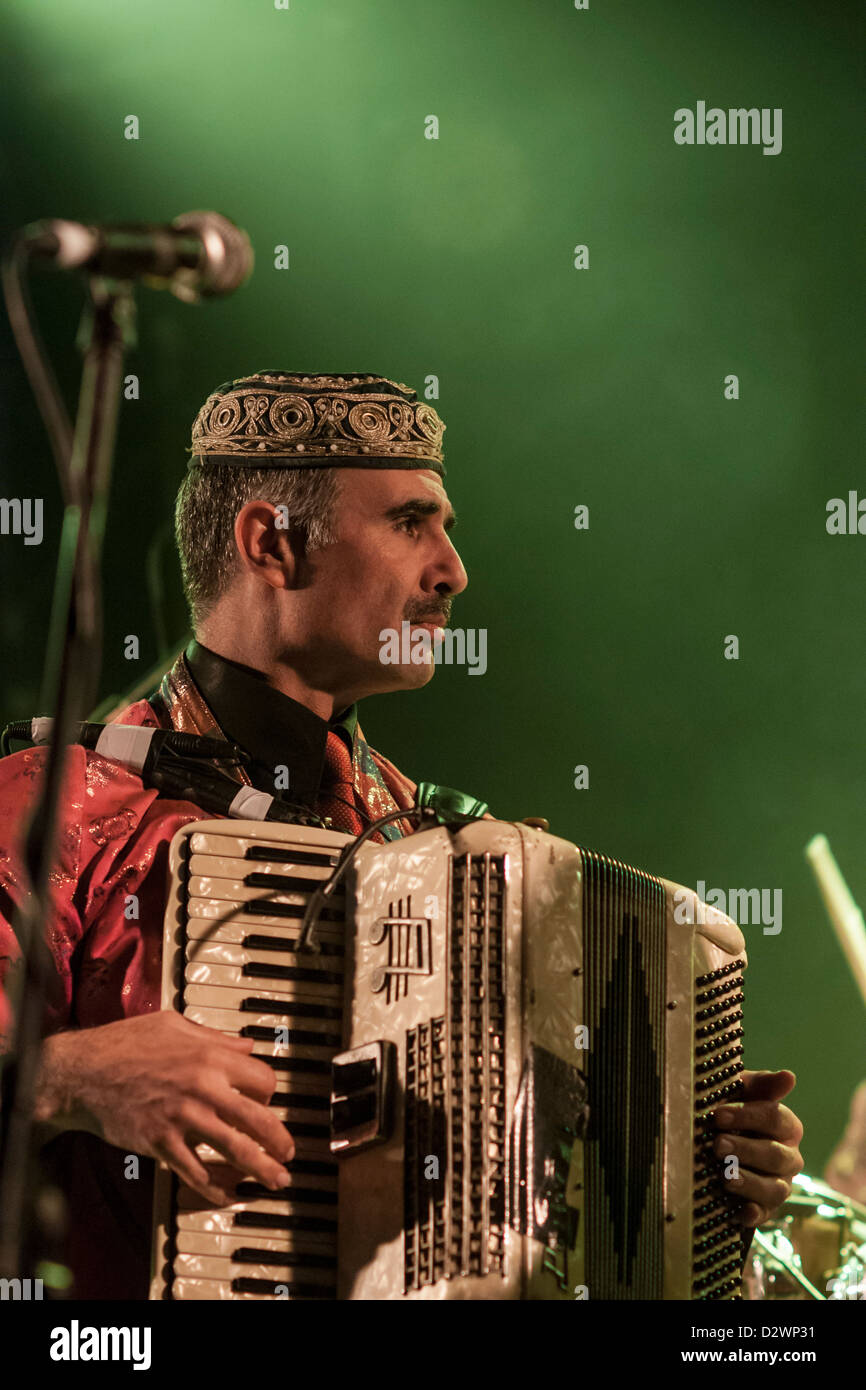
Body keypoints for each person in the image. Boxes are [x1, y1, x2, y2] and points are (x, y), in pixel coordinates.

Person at [0, 371, 804, 1299]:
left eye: (447, 530)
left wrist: (702, 1170)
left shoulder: (445, 847)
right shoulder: (50, 806)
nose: (452, 572)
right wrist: (63, 1079)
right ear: (271, 543)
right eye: (409, 522)